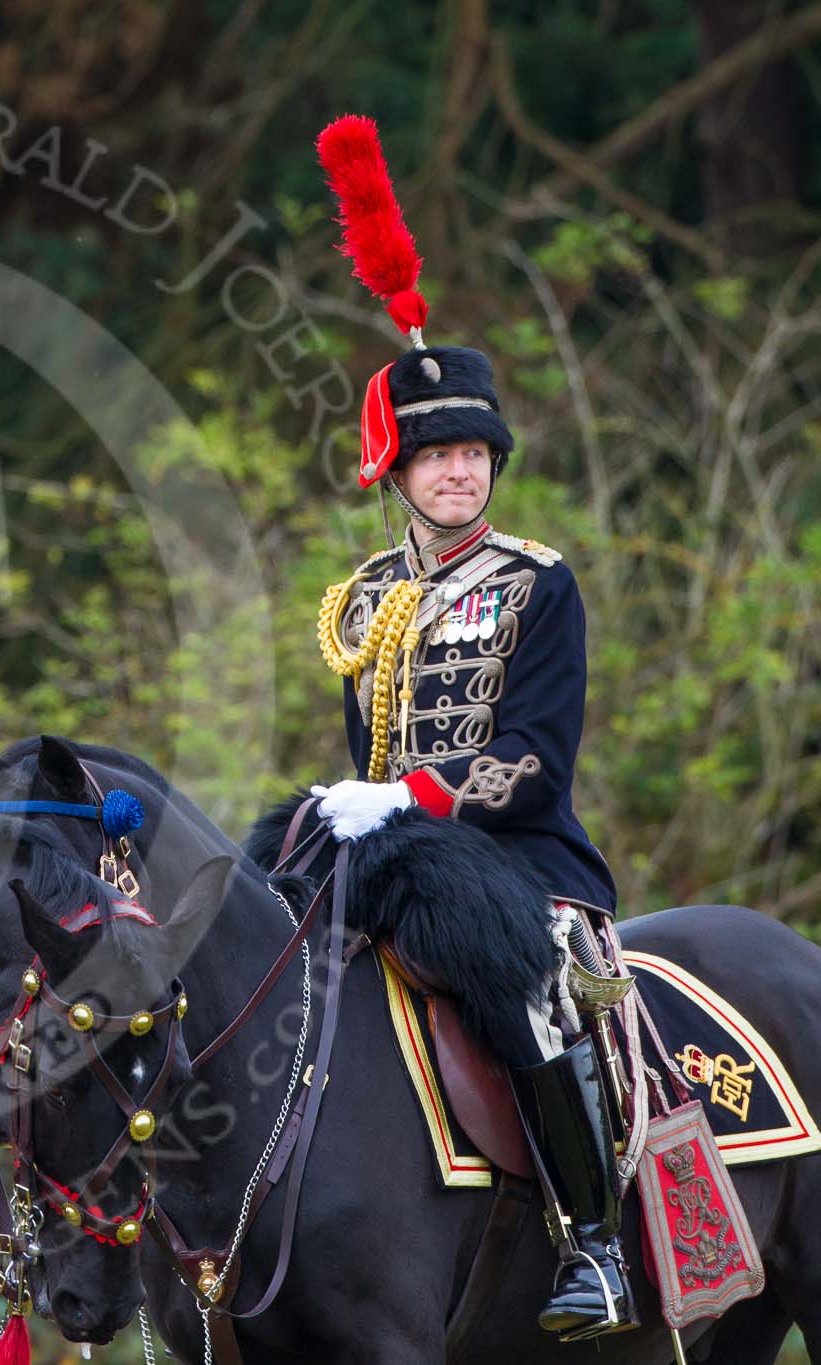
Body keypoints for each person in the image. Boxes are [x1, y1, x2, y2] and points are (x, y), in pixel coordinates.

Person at [310, 114, 630, 1339]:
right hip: (388, 847)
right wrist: (365, 811)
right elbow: (367, 756)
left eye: (472, 456)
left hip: (514, 854)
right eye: (434, 456)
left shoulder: (537, 581)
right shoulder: (363, 599)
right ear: (395, 471)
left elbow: (540, 762)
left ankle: (591, 1240)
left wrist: (418, 800)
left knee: (518, 984)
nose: (457, 473)